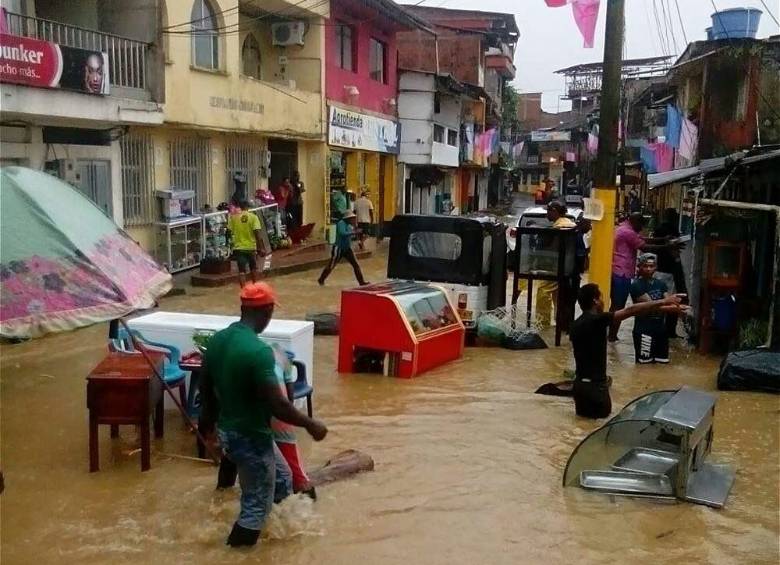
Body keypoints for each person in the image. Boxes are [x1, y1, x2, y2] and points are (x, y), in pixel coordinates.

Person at [199, 283, 328, 548]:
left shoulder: (218, 341)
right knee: (254, 510)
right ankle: (235, 553)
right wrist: (311, 425)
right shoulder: (259, 353)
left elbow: (206, 392)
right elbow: (279, 405)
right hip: (251, 438)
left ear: (243, 308)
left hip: (230, 432)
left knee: (281, 478)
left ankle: (277, 540)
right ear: (268, 311)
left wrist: (207, 431)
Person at [570, 283, 685, 418]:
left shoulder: (575, 325)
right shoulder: (598, 320)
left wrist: (668, 308)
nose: (603, 301)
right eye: (601, 297)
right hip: (596, 389)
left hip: (579, 387)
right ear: (595, 300)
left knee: (582, 425)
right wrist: (664, 301)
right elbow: (631, 311)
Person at [609, 212, 680, 341]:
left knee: (616, 305)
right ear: (634, 221)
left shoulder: (625, 227)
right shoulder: (627, 232)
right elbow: (645, 247)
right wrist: (667, 246)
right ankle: (612, 337)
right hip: (622, 273)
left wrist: (662, 240)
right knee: (618, 306)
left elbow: (642, 239)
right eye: (640, 225)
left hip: (619, 271)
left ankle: (611, 336)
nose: (641, 228)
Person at [535, 201, 576, 329]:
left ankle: (543, 323)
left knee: (543, 292)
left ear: (555, 211)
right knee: (559, 297)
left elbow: (553, 250)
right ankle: (561, 324)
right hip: (567, 269)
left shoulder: (559, 227)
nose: (546, 214)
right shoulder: (570, 224)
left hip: (555, 268)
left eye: (548, 211)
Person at [630, 254, 672, 364]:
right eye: (645, 266)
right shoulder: (636, 285)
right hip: (644, 330)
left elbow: (668, 302)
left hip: (660, 329)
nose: (649, 269)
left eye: (651, 266)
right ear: (640, 267)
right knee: (644, 365)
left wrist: (676, 307)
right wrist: (672, 305)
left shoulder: (661, 284)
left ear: (656, 267)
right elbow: (650, 304)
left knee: (662, 363)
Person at [653, 208, 688, 337]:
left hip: (660, 269)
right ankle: (670, 331)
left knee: (660, 300)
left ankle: (660, 328)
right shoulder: (672, 230)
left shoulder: (659, 230)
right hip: (669, 270)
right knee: (673, 301)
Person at [318, 211, 368, 286]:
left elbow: (351, 235)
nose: (353, 220)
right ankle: (321, 279)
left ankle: (361, 282)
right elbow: (342, 233)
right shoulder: (341, 223)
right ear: (348, 218)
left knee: (356, 264)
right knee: (332, 265)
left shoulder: (349, 225)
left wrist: (356, 232)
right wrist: (354, 232)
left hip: (347, 248)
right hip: (338, 248)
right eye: (352, 218)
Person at [227, 201, 267, 287]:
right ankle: (256, 288)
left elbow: (228, 232)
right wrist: (261, 248)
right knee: (253, 268)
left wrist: (230, 244)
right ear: (248, 207)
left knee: (241, 271)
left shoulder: (233, 218)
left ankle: (244, 291)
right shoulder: (253, 217)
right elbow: (257, 233)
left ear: (240, 207)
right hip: (251, 248)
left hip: (239, 248)